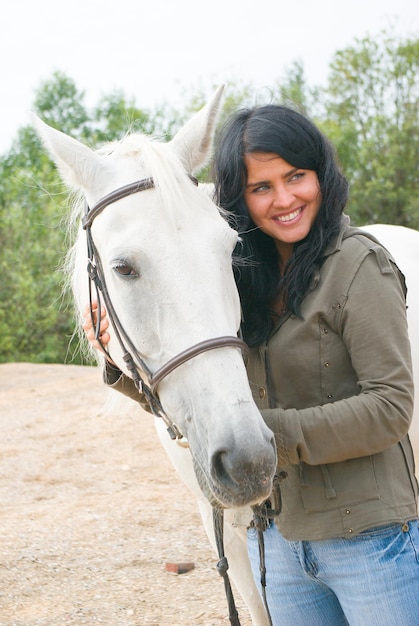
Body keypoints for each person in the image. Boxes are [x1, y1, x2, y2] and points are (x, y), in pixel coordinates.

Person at [84, 104, 419, 625]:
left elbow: (391, 408)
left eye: (296, 177)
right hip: (281, 546)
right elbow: (208, 393)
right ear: (239, 198)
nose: (284, 199)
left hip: (368, 542)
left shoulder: (359, 267)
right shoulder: (243, 282)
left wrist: (269, 434)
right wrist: (121, 366)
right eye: (262, 187)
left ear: (321, 176)